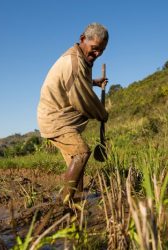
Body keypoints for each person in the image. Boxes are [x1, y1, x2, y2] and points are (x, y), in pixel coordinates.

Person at [37, 23, 109, 204]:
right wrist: (102, 114)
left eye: (102, 50)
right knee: (81, 153)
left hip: (59, 117)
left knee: (78, 167)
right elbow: (82, 98)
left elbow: (75, 81)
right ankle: (64, 203)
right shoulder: (74, 62)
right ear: (83, 39)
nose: (98, 54)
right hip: (56, 120)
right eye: (94, 49)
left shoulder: (81, 57)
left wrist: (94, 81)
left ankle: (77, 202)